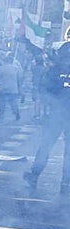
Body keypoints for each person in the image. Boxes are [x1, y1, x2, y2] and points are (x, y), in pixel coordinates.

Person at [24, 42, 70, 196]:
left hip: (56, 114)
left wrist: (50, 105)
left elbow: (44, 89)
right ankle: (66, 183)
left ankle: (34, 175)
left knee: (46, 146)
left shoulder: (55, 70)